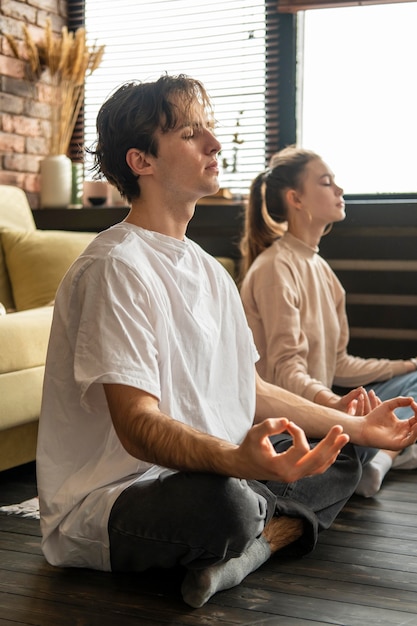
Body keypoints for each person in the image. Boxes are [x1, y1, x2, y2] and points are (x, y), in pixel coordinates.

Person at [37, 77, 417, 609]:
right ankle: (258, 529)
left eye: (209, 131)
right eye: (192, 134)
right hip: (119, 498)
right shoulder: (114, 267)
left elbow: (252, 387)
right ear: (141, 161)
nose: (214, 144)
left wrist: (356, 424)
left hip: (218, 469)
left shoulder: (209, 271)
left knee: (342, 451)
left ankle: (249, 551)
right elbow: (138, 427)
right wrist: (240, 461)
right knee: (225, 506)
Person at [239, 145, 417, 498]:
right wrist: (336, 408)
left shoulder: (323, 271)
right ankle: (369, 457)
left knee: (414, 382)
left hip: (324, 410)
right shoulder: (276, 268)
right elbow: (284, 373)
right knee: (343, 446)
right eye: (326, 182)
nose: (339, 190)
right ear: (296, 199)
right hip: (290, 423)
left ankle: (379, 460)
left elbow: (339, 364)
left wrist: (407, 365)